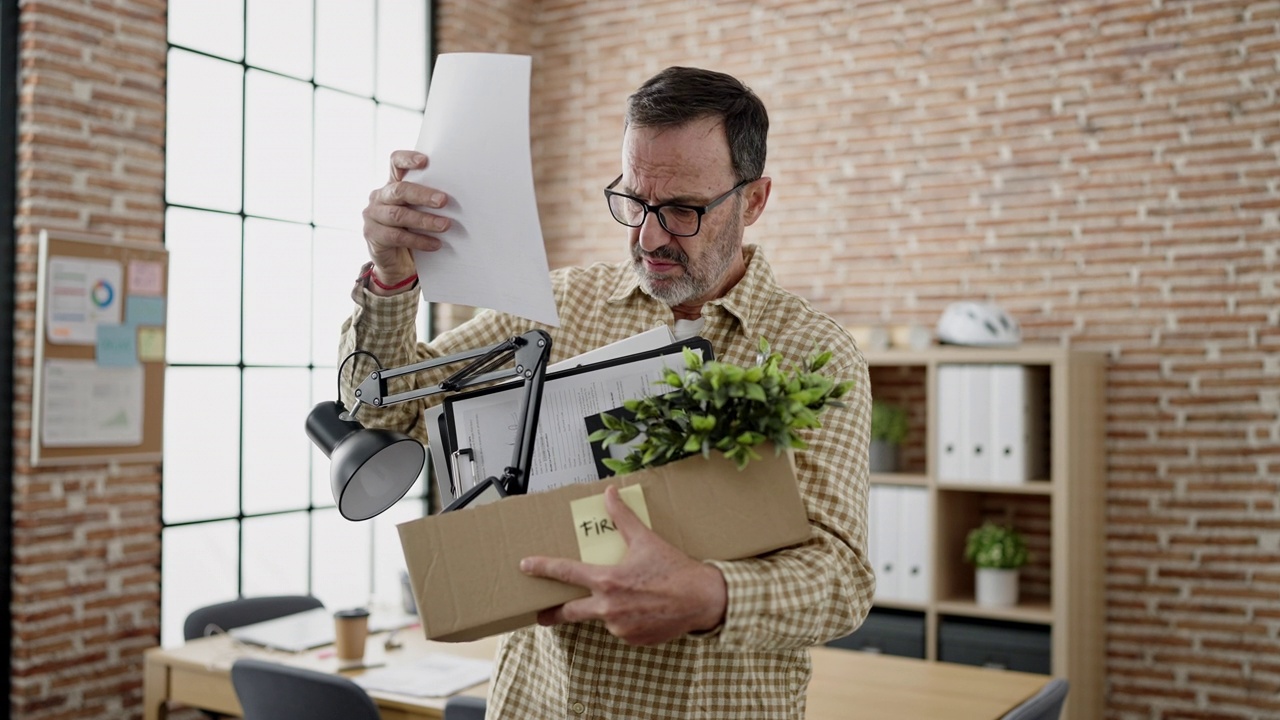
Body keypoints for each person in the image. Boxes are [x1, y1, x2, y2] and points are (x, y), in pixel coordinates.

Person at [345, 66, 874, 719]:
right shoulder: (558, 306)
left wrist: (711, 594)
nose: (649, 237)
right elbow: (382, 414)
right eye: (633, 200)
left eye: (682, 210)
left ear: (754, 201)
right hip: (542, 706)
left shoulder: (811, 355)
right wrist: (392, 275)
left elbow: (842, 580)